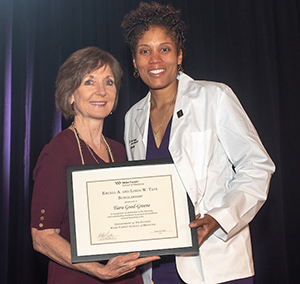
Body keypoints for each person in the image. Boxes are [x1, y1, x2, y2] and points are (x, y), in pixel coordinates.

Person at [121, 2, 275, 284]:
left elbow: (257, 166)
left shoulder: (214, 97)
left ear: (179, 55)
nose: (155, 59)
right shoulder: (133, 117)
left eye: (164, 49)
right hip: (157, 268)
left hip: (217, 262)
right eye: (145, 51)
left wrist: (220, 218)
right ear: (134, 60)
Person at [30, 47, 159, 284]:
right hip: (78, 278)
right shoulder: (58, 151)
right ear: (70, 94)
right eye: (89, 82)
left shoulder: (120, 151)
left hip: (127, 277)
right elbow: (42, 237)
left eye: (109, 82)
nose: (101, 91)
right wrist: (99, 270)